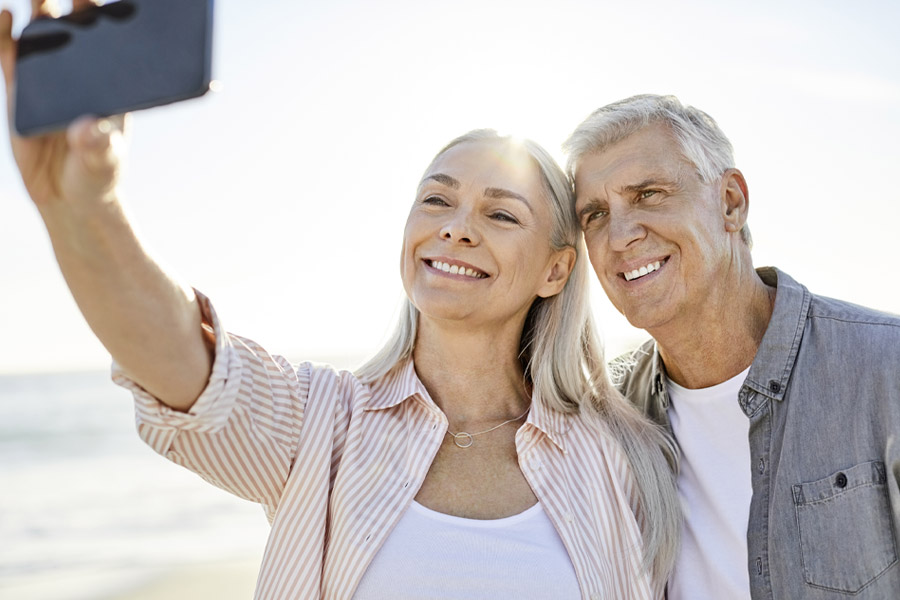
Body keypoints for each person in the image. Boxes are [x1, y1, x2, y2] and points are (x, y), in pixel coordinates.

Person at [1, 5, 681, 598]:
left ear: (556, 270)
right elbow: (176, 359)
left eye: (500, 214)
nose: (456, 227)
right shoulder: (321, 425)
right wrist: (85, 211)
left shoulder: (618, 454)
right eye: (437, 199)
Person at [563, 93, 900, 600]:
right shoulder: (605, 418)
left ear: (730, 203)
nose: (620, 236)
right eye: (595, 215)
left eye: (649, 194)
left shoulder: (885, 368)